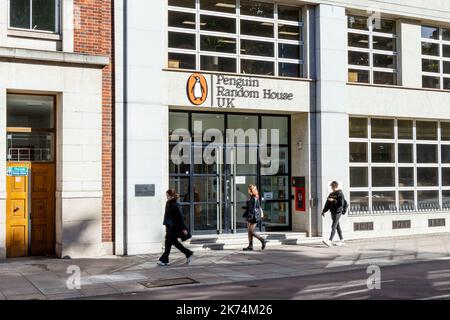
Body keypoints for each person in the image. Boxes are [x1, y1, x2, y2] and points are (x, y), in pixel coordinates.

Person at [158, 189, 194, 266]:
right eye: (166, 196)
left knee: (168, 242)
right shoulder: (169, 203)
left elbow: (180, 218)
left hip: (173, 228)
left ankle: (165, 260)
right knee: (173, 243)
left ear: (172, 196)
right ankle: (188, 253)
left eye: (168, 196)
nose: (167, 197)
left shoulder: (175, 204)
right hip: (169, 227)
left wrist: (183, 228)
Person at [242, 184, 267, 251]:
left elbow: (253, 209)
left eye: (249, 189)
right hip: (250, 216)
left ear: (251, 190)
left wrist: (250, 217)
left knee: (251, 231)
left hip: (253, 217)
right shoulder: (252, 197)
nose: (248, 190)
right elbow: (251, 207)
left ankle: (262, 239)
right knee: (249, 231)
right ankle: (250, 246)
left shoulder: (254, 198)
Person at [322, 181, 346, 247]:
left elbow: (342, 203)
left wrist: (334, 200)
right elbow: (327, 203)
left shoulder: (340, 193)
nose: (331, 188)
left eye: (332, 186)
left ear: (334, 186)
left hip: (338, 212)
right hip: (332, 211)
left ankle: (330, 241)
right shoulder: (331, 194)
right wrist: (324, 211)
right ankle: (342, 240)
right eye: (331, 186)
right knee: (337, 226)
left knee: (333, 226)